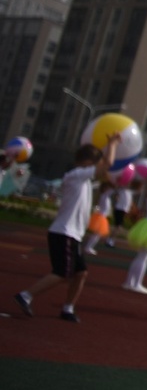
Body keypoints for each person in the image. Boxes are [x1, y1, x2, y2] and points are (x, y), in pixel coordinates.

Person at [13, 136, 119, 322]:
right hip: (64, 232)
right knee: (62, 272)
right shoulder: (76, 175)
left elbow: (106, 170)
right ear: (86, 162)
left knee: (81, 273)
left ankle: (68, 308)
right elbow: (107, 163)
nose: (97, 166)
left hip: (72, 234)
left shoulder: (84, 180)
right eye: (94, 163)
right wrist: (113, 145)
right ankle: (26, 295)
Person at [83, 181, 115, 255]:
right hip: (101, 217)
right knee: (97, 234)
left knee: (97, 234)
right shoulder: (104, 196)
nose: (110, 190)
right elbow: (110, 191)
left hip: (102, 217)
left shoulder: (106, 197)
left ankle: (89, 246)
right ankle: (88, 247)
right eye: (108, 188)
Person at [108, 178, 139, 247]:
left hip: (123, 210)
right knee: (118, 226)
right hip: (119, 209)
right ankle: (110, 240)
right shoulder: (121, 190)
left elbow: (137, 191)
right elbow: (117, 189)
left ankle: (111, 240)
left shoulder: (129, 192)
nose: (128, 184)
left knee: (118, 226)